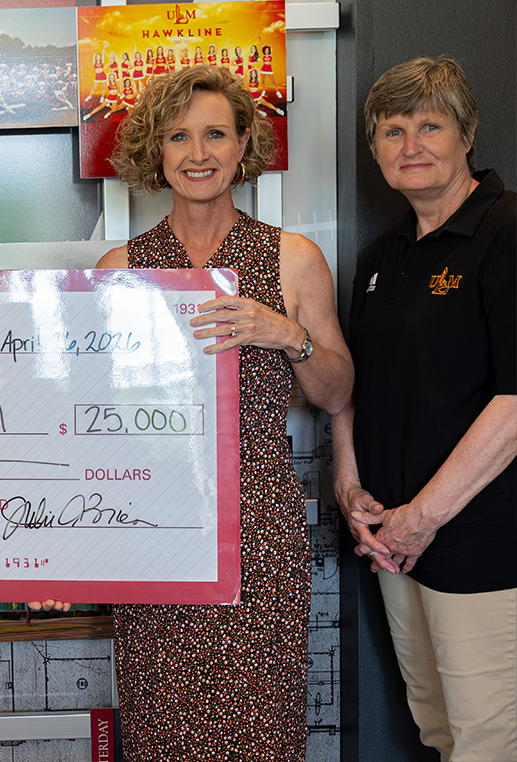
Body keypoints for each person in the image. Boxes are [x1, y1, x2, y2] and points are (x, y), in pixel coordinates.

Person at [34, 65, 353, 760]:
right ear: (157, 150)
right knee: (161, 728)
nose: (197, 153)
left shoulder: (293, 259)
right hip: (150, 526)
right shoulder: (123, 266)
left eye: (215, 134)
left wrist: (286, 334)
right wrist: (63, 543)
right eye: (179, 136)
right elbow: (93, 422)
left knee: (262, 729)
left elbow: (335, 393)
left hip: (259, 533)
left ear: (244, 144)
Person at [333, 56, 516, 761]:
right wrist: (350, 488)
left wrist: (424, 517)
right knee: (438, 732)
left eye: (429, 125)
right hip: (395, 545)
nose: (410, 145)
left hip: (481, 545)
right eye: (391, 130)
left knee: (486, 744)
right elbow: (351, 386)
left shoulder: (506, 229)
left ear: (467, 134)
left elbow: (515, 400)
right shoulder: (383, 255)